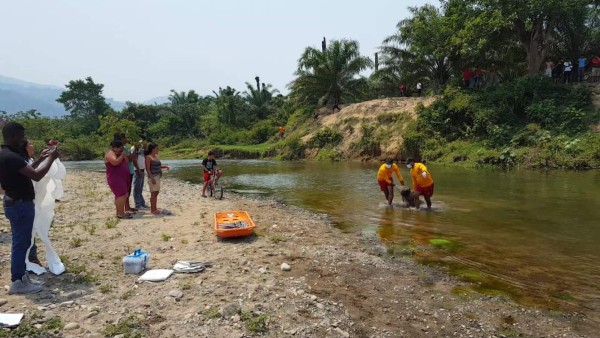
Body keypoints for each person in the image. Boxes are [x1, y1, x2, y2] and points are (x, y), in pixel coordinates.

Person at [0, 122, 59, 294]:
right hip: (20, 204)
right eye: (21, 136)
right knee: (21, 242)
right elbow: (37, 175)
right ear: (12, 136)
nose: (23, 139)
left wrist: (41, 159)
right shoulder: (12, 157)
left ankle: (20, 276)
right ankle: (17, 280)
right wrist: (51, 159)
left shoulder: (6, 155)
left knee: (21, 241)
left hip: (14, 202)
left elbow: (26, 171)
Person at [104, 139, 132, 219]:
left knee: (123, 194)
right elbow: (115, 162)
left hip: (122, 177)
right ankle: (120, 213)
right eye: (120, 148)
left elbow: (126, 162)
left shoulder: (119, 153)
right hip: (115, 178)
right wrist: (122, 155)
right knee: (121, 195)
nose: (121, 150)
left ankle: (119, 212)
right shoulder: (110, 153)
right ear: (114, 147)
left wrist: (124, 155)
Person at [145, 143, 170, 215]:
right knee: (153, 193)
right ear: (152, 149)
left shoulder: (156, 156)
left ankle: (154, 208)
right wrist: (152, 178)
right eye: (157, 149)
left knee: (156, 192)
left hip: (158, 176)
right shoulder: (148, 157)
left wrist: (165, 166)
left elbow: (158, 166)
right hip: (153, 177)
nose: (158, 150)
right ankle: (153, 209)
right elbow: (148, 169)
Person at [132, 140, 148, 209]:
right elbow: (134, 160)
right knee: (137, 188)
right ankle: (138, 204)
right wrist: (138, 170)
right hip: (137, 170)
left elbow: (145, 157)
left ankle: (142, 203)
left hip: (142, 169)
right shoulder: (134, 148)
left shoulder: (141, 148)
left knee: (140, 188)